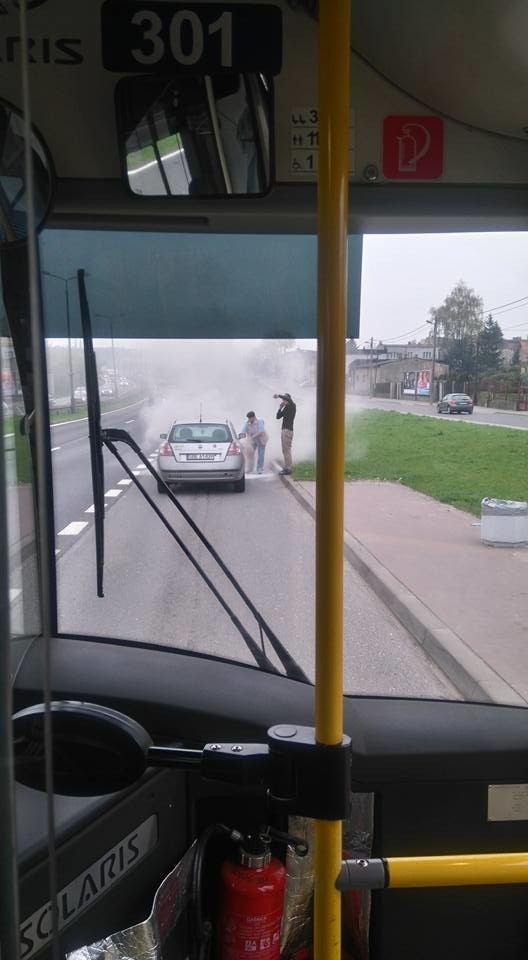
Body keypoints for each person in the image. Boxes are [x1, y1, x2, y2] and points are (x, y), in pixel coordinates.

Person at [273, 392, 296, 475]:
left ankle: (288, 468)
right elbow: (278, 417)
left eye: (285, 399)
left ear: (288, 400)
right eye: (283, 400)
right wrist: (280, 407)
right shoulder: (286, 408)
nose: (283, 401)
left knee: (287, 449)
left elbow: (289, 400)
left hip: (288, 430)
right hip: (284, 430)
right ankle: (286, 467)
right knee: (284, 450)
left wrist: (278, 395)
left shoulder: (292, 406)